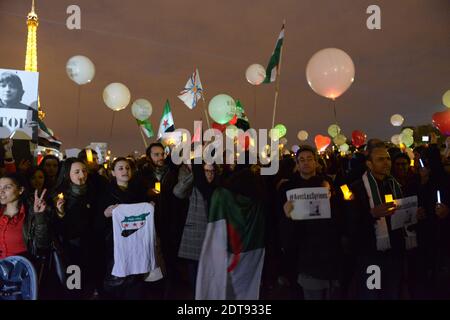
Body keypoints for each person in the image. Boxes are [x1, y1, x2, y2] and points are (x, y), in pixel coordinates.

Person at [280, 145, 343, 300]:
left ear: (316, 162)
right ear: (297, 164)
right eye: (302, 160)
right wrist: (286, 215)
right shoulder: (288, 188)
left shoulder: (327, 185)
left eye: (309, 159)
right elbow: (282, 227)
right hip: (305, 253)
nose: (306, 163)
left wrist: (331, 199)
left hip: (330, 251)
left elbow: (339, 215)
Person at [346, 141, 405, 299]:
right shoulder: (357, 188)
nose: (386, 162)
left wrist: (413, 214)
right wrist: (371, 214)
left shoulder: (396, 185)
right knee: (371, 294)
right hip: (370, 254)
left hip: (394, 252)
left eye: (387, 158)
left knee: (391, 293)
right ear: (369, 164)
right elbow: (350, 224)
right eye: (380, 159)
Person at [99, 157, 148, 299]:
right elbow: (98, 224)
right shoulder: (106, 194)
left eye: (128, 168)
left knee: (135, 285)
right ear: (113, 173)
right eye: (120, 168)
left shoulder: (139, 192)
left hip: (137, 246)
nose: (125, 171)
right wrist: (106, 214)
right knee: (118, 286)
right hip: (115, 247)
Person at [51, 158, 100, 298]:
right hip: (71, 250)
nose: (82, 175)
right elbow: (56, 229)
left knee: (90, 284)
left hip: (92, 248)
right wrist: (60, 213)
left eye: (84, 171)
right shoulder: (59, 196)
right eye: (77, 172)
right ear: (67, 174)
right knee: (74, 287)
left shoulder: (93, 191)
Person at [173, 162, 218, 298]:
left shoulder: (218, 188)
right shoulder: (193, 187)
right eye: (206, 171)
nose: (209, 174)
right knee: (195, 272)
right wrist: (195, 174)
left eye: (212, 171)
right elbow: (178, 192)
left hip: (213, 235)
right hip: (195, 234)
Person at [0, 173, 49, 260]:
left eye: (7, 187)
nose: (1, 191)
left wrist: (39, 216)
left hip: (21, 269)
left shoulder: (29, 215)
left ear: (21, 190)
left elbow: (42, 244)